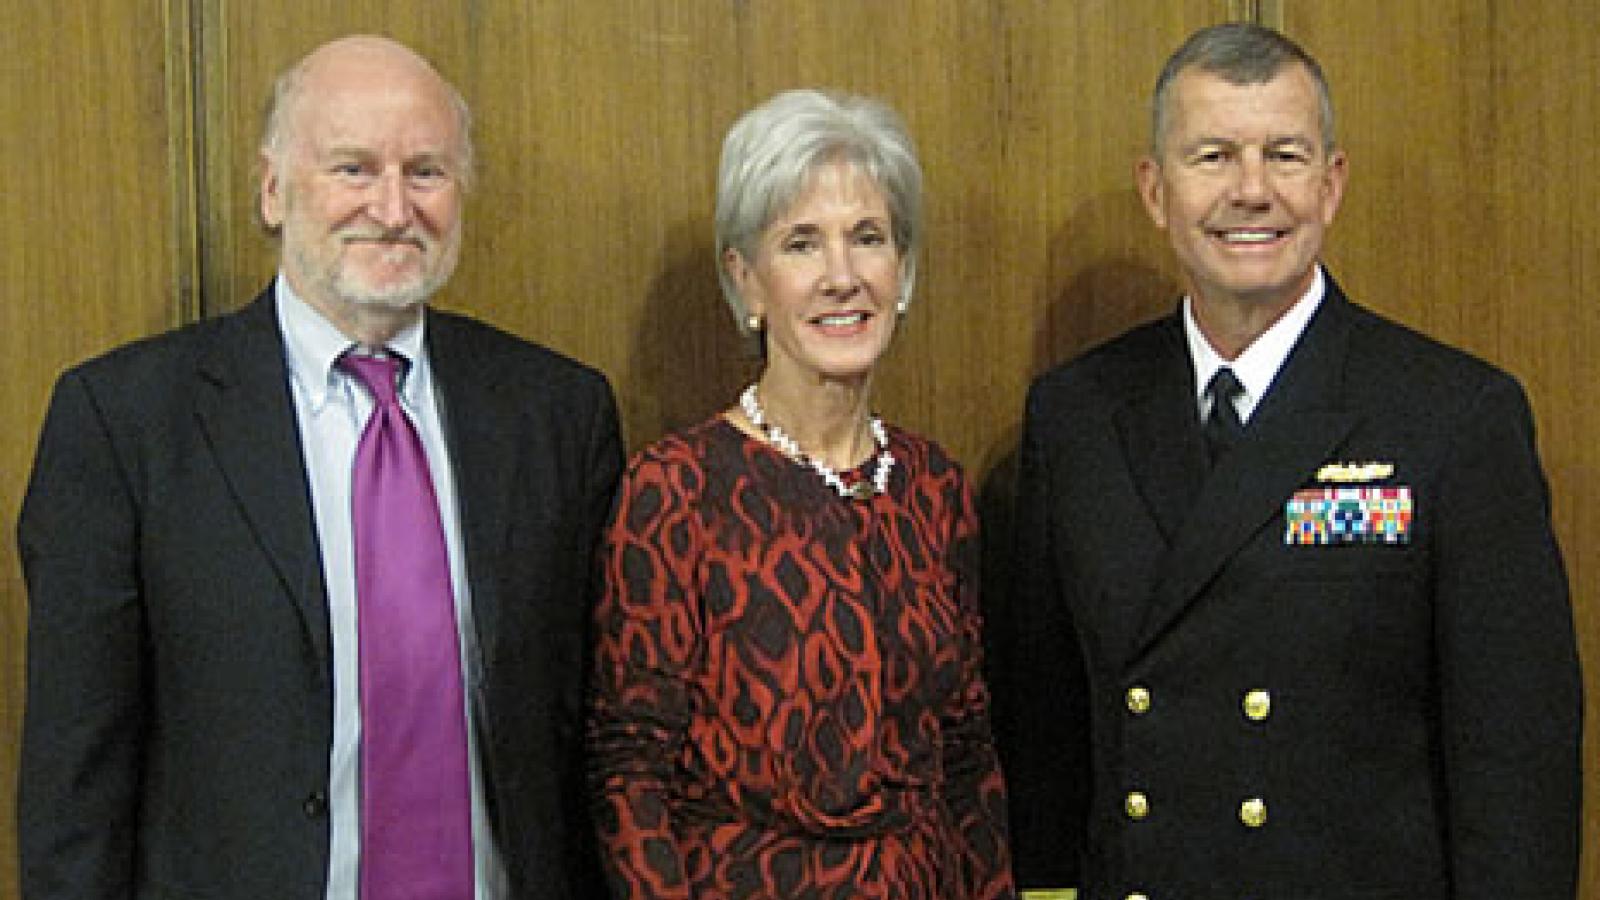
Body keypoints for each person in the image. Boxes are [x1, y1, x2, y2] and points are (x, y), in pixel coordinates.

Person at [17, 35, 621, 900]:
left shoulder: (557, 416)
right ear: (272, 188)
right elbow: (76, 784)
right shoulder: (125, 425)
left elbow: (591, 743)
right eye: (352, 168)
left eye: (426, 172)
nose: (391, 206)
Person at [992, 22, 1583, 900]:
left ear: (1332, 184)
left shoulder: (1453, 418)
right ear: (1155, 191)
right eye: (1213, 156)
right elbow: (1043, 745)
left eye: (1285, 155)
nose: (1252, 190)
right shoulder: (1076, 416)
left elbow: (1516, 769)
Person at [587, 89, 1015, 899]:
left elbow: (967, 756)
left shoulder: (937, 487)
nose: (842, 277)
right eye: (801, 245)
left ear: (906, 269)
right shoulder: (674, 490)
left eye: (868, 238)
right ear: (745, 281)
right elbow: (629, 768)